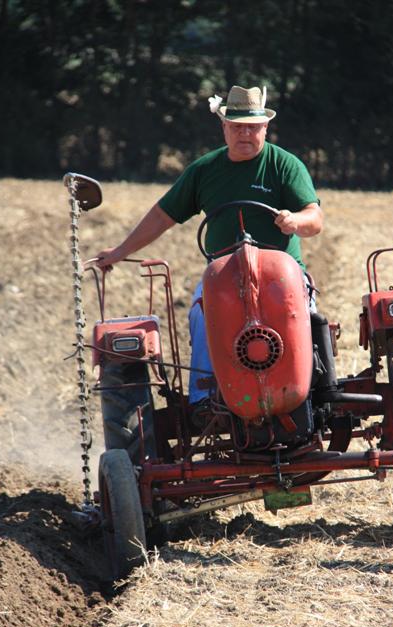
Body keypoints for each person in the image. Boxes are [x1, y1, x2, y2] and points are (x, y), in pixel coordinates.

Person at [95, 85, 323, 404]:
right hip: (225, 275)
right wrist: (119, 252)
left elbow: (314, 218)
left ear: (265, 127)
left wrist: (295, 220)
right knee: (203, 314)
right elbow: (163, 216)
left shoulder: (285, 165)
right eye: (238, 127)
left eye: (253, 128)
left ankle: (315, 392)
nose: (245, 134)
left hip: (282, 275)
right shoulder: (204, 171)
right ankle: (203, 398)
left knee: (307, 315)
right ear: (224, 126)